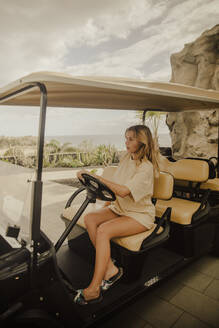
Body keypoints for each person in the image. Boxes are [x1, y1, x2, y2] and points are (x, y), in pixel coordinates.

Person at [74, 125, 159, 305]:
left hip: (140, 215)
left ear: (142, 141)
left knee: (104, 231)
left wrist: (94, 176)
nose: (126, 142)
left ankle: (94, 290)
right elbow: (114, 186)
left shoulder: (146, 168)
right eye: (125, 138)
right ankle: (111, 268)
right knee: (90, 218)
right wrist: (103, 201)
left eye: (131, 139)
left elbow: (122, 191)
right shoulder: (126, 158)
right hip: (120, 209)